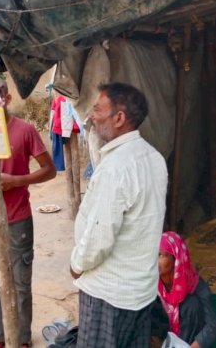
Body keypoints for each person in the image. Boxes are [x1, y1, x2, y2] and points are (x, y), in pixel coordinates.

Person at [69, 82, 168, 348]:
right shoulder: (154, 157)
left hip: (108, 293)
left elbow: (100, 236)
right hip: (140, 291)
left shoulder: (116, 166)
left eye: (98, 109)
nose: (91, 115)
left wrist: (77, 264)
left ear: (120, 118)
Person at [0, 80, 56, 348]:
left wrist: (16, 181)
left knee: (20, 283)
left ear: (8, 96)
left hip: (18, 218)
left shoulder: (25, 131)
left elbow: (49, 170)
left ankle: (23, 338)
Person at [151, 232, 216, 348]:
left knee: (191, 304)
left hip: (187, 341)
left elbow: (212, 325)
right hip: (162, 340)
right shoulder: (152, 282)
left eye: (160, 255)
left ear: (175, 258)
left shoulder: (195, 285)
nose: (154, 260)